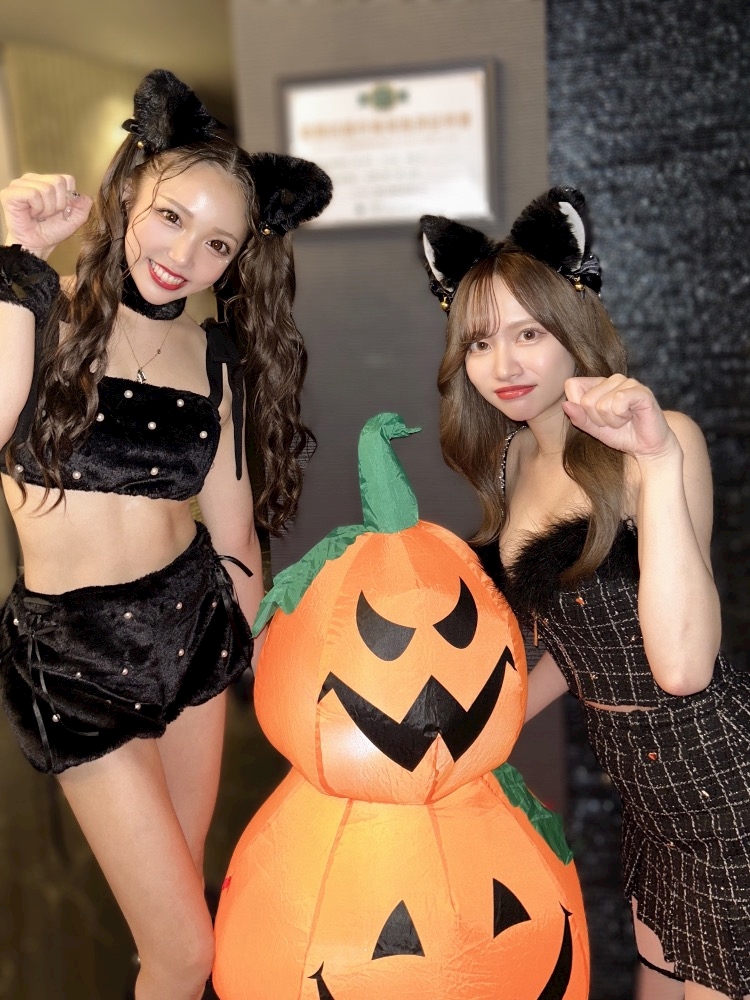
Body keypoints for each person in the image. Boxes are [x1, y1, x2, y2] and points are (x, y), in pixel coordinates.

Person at [0, 69, 331, 1000]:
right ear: (127, 196)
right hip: (72, 660)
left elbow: (234, 536)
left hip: (191, 635)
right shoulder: (37, 305)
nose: (186, 255)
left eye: (218, 242)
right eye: (171, 217)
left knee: (181, 940)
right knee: (185, 949)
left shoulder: (213, 354)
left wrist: (274, 674)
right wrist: (16, 259)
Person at [418, 189, 749, 1000]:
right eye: (481, 341)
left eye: (529, 333)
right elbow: (577, 643)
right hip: (644, 797)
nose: (504, 365)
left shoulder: (660, 443)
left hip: (719, 783)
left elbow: (681, 669)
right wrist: (474, 740)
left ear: (574, 328)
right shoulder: (510, 464)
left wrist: (659, 462)